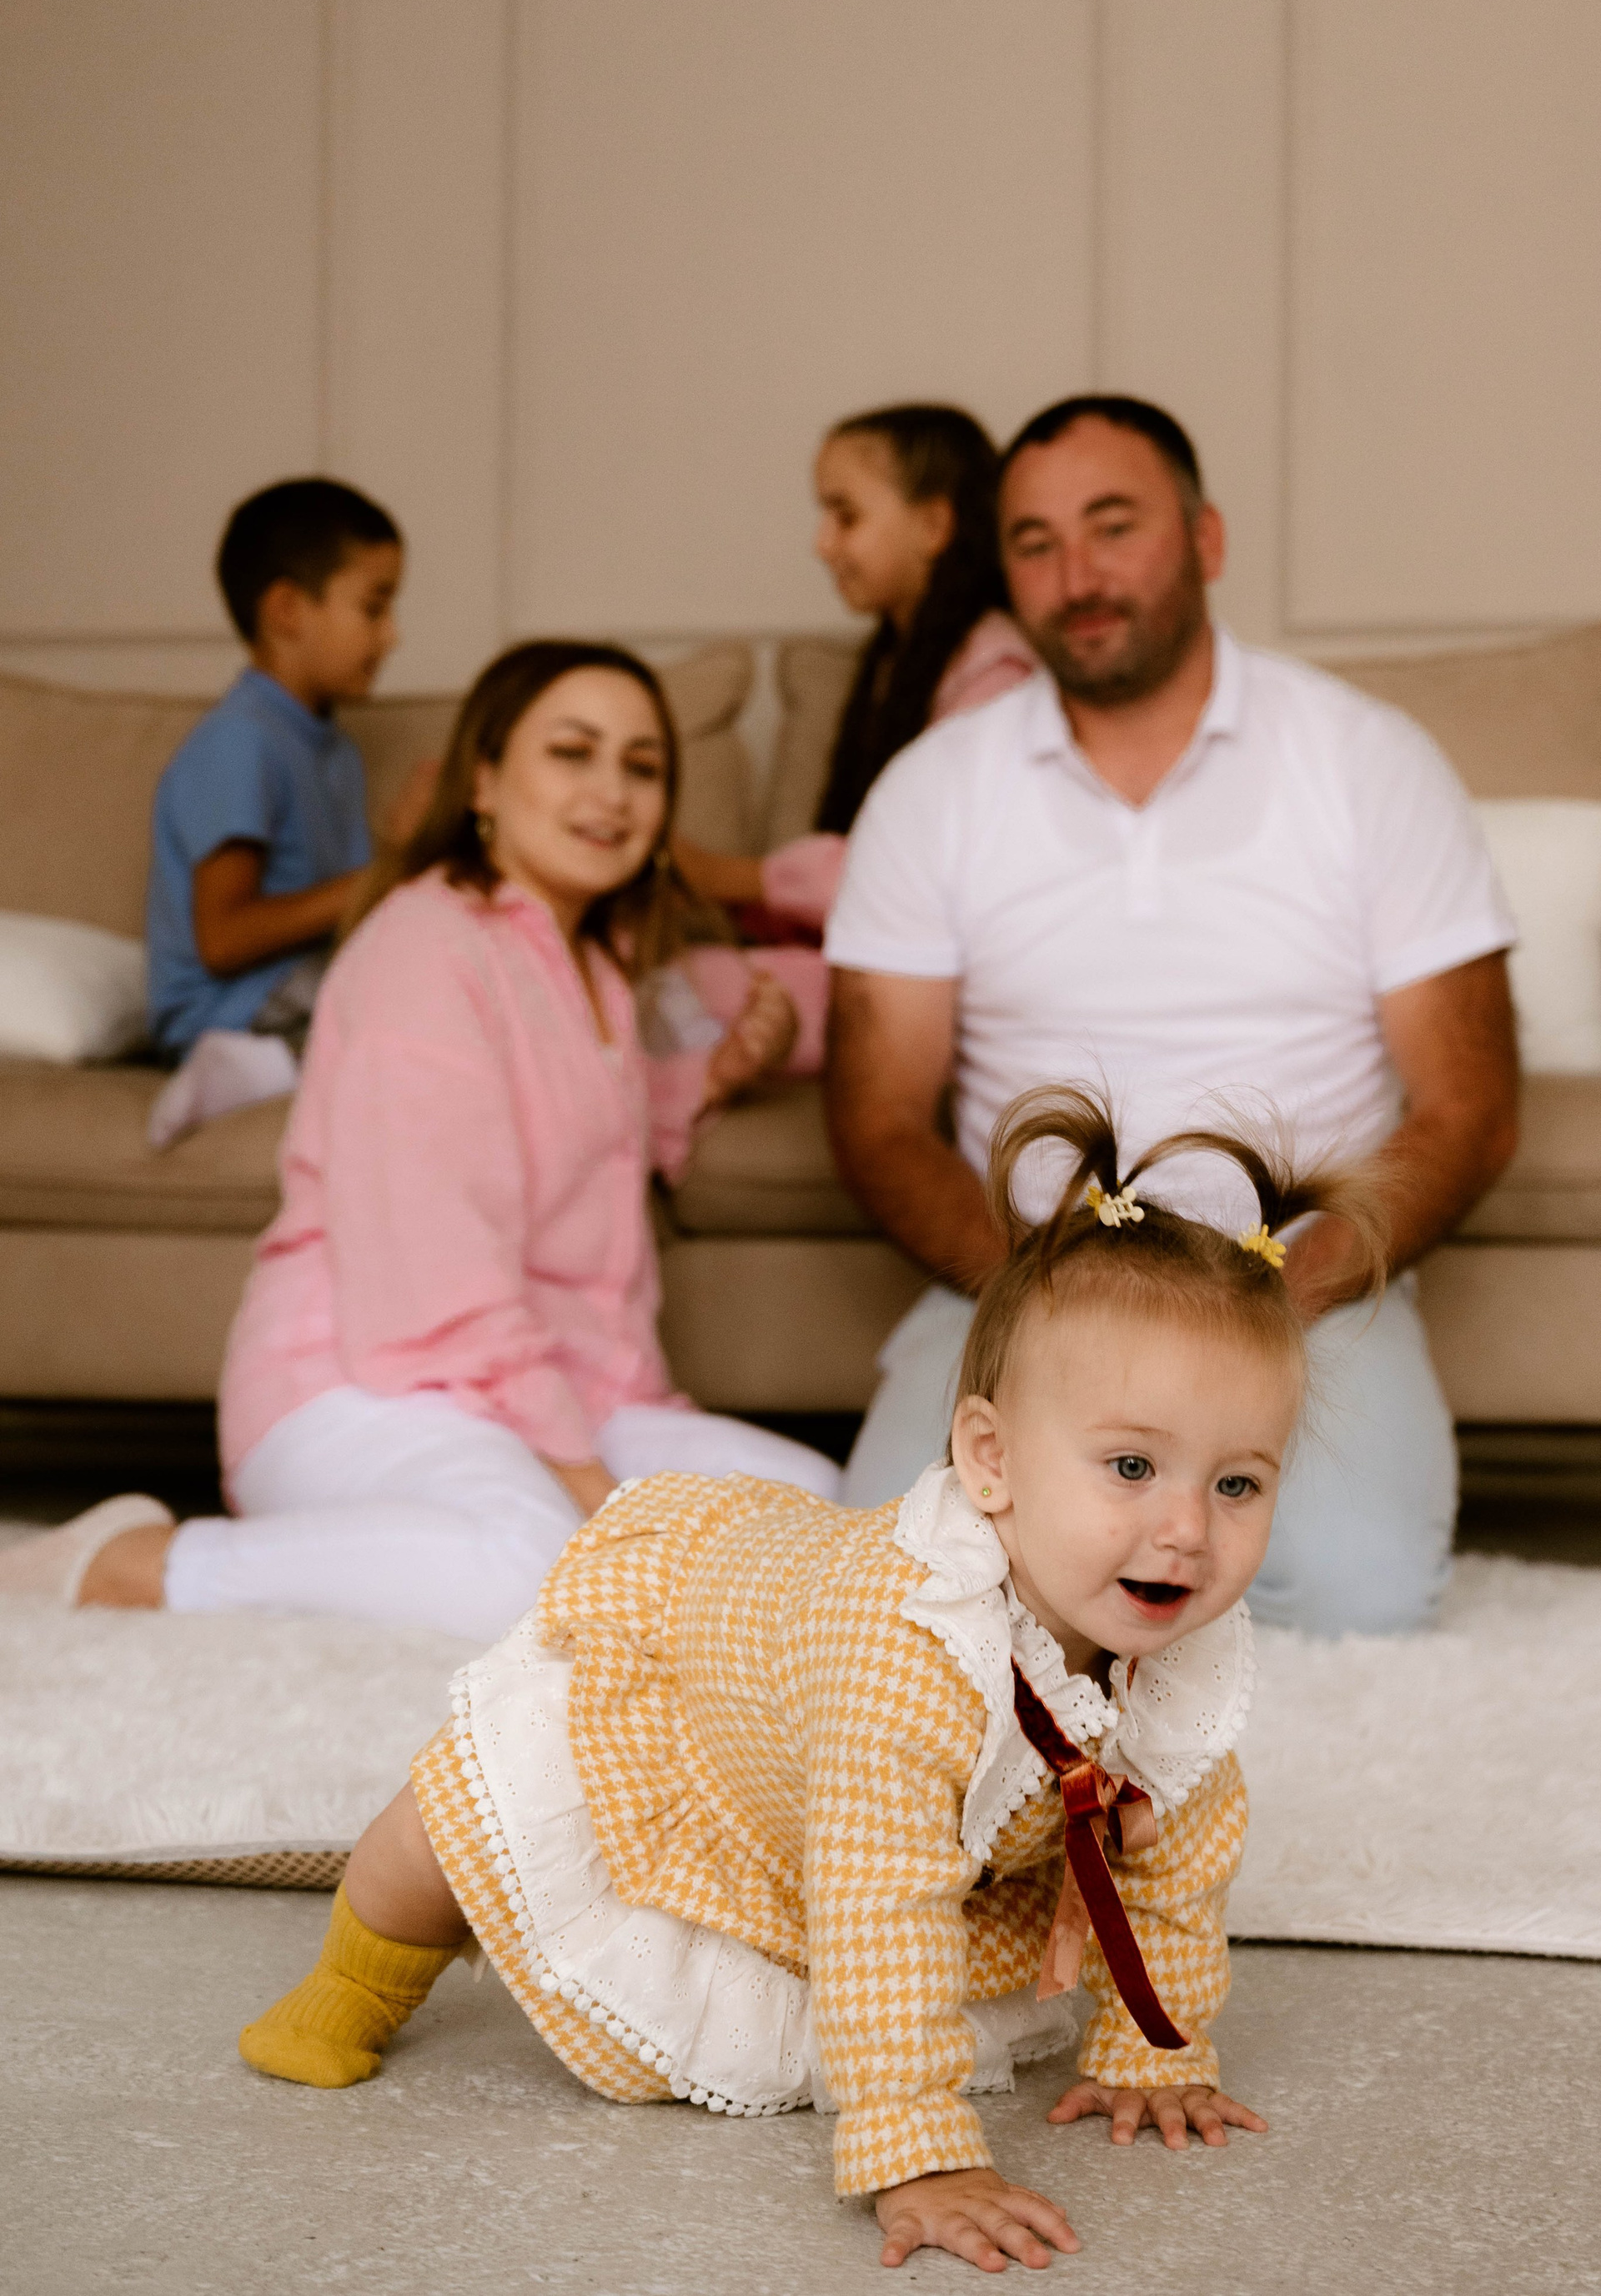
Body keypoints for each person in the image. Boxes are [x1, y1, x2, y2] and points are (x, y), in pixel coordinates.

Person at [234, 1088, 1384, 2271]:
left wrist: (1157, 2047)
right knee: (463, 1822)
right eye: (1132, 1466)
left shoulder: (1171, 1654)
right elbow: (881, 1900)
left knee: (1000, 1867)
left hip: (847, 1801)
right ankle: (355, 1975)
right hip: (713, 1680)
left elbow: (1178, 1851)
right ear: (990, 1459)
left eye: (1237, 1484)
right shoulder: (909, 1661)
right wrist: (920, 2150)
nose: (1187, 1529)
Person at [824, 394, 1520, 1637]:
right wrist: (1046, 1295)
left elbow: (1470, 1104)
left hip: (1299, 1279)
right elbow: (877, 1116)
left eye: (1114, 526)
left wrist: (1271, 1303)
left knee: (1360, 1592)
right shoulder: (931, 791)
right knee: (889, 1590)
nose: (1077, 575)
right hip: (1027, 1275)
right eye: (1036, 543)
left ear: (1205, 539)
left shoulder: (1368, 758)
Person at [3, 642, 834, 1638]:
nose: (612, 792)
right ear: (483, 780)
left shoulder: (598, 965)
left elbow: (575, 1130)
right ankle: (144, 1563)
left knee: (816, 1502)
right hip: (368, 1384)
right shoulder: (425, 943)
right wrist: (591, 1492)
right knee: (536, 1568)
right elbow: (437, 1273)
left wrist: (713, 1077)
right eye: (572, 751)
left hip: (563, 1388)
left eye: (642, 765)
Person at [665, 405, 1036, 1075]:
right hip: (879, 959)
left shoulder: (996, 677)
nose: (822, 544)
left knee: (684, 990)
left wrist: (727, 876)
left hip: (943, 983)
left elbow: (928, 881)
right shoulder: (894, 663)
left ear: (934, 525)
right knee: (662, 978)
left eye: (846, 515)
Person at [144, 476, 429, 1147]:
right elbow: (223, 938)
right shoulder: (241, 741)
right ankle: (242, 1069)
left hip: (296, 988)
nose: (391, 636)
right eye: (374, 608)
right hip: (228, 1008)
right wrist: (391, 870)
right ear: (288, 610)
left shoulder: (333, 747)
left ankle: (286, 1064)